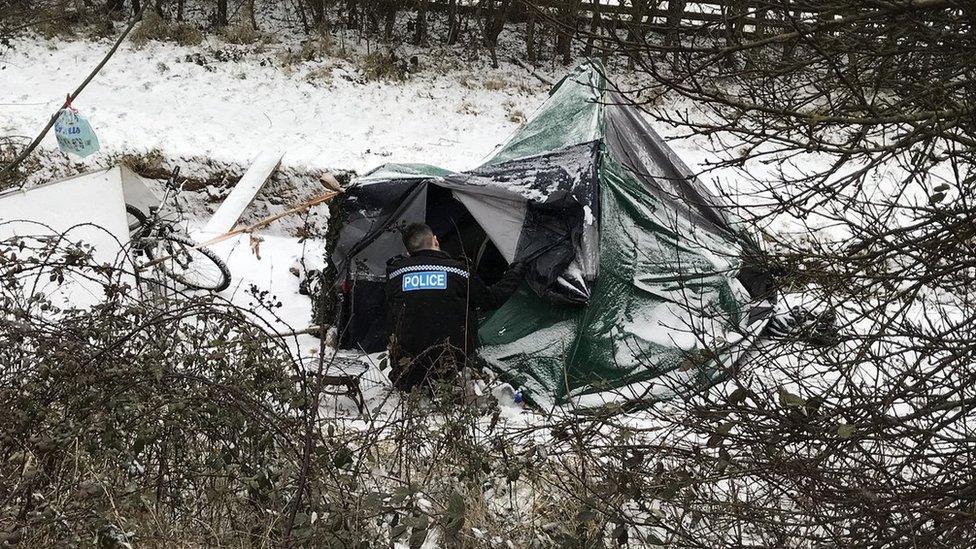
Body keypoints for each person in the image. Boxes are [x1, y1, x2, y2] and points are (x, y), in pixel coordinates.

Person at [385, 222, 526, 392]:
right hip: (452, 370)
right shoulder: (459, 271)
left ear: (408, 251)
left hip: (408, 375)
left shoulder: (395, 274)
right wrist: (515, 273)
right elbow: (491, 300)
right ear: (435, 241)